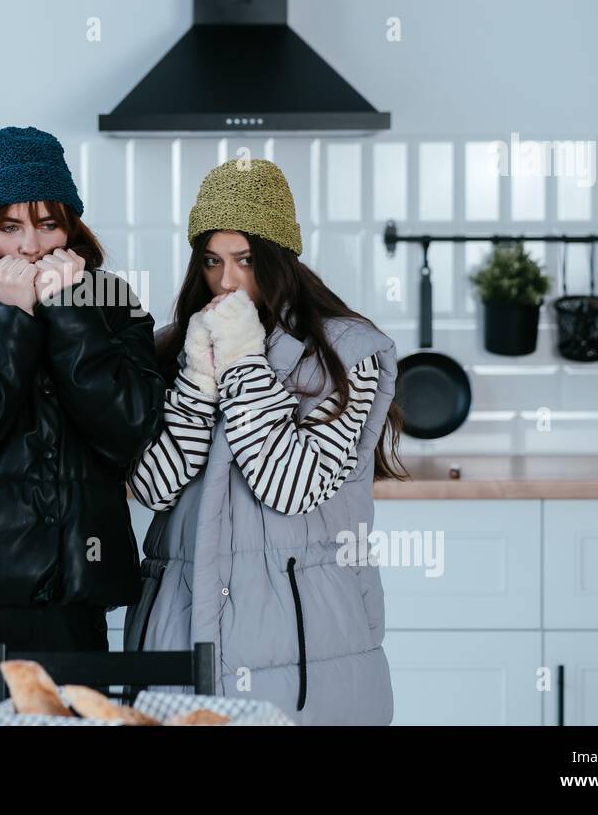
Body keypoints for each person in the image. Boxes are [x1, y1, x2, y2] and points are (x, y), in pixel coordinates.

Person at [0, 125, 165, 725]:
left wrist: (69, 316)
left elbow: (128, 432)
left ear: (72, 229)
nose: (33, 246)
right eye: (9, 227)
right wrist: (8, 316)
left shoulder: (113, 304)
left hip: (68, 600)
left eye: (48, 224)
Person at [126, 158, 408, 725]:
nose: (227, 281)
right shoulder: (173, 349)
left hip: (302, 645)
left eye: (245, 260)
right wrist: (199, 380)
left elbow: (288, 486)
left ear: (280, 259)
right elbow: (152, 488)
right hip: (179, 626)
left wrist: (242, 362)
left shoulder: (346, 353)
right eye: (211, 261)